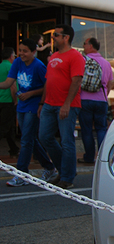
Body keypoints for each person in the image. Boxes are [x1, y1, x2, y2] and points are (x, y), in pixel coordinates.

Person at [0, 39, 57, 187]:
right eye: (20, 50)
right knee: (30, 138)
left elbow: (47, 86)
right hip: (22, 105)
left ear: (33, 52)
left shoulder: (39, 66)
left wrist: (33, 96)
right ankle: (50, 167)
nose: (21, 53)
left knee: (26, 140)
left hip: (33, 105)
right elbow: (8, 82)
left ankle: (22, 174)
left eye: (25, 51)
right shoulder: (17, 63)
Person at [38, 24, 85, 189]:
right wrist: (42, 103)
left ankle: (67, 176)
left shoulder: (76, 56)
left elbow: (76, 81)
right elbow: (48, 81)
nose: (53, 38)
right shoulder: (54, 56)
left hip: (67, 105)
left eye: (56, 35)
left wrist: (66, 104)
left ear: (66, 37)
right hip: (49, 104)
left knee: (67, 141)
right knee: (44, 137)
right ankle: (64, 170)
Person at [78, 37, 114, 164]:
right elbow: (110, 83)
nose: (83, 46)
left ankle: (89, 157)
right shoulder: (106, 63)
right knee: (101, 129)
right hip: (101, 100)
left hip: (85, 99)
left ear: (91, 46)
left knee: (86, 130)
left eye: (84, 43)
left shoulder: (82, 61)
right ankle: (102, 157)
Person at [0, 47, 19, 158]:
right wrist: (15, 100)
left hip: (0, 99)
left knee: (9, 126)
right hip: (7, 100)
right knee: (5, 126)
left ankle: (13, 149)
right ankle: (14, 149)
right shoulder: (11, 67)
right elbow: (12, 86)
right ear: (11, 56)